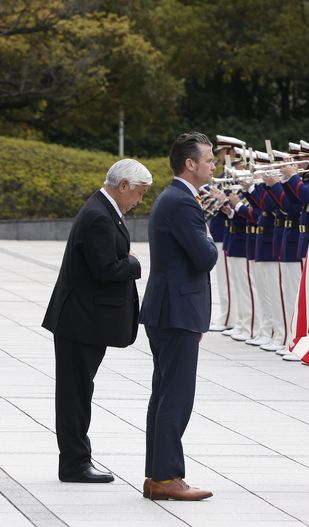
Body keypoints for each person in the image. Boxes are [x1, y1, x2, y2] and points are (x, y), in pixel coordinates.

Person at [42, 159, 152, 483]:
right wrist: (133, 264)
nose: (140, 200)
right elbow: (106, 269)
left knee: (78, 391)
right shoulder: (98, 217)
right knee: (75, 393)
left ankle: (76, 459)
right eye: (140, 193)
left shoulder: (103, 210)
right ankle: (74, 463)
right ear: (123, 186)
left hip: (83, 319)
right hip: (80, 321)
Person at [139, 132, 217, 501]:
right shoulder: (182, 202)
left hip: (170, 308)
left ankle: (157, 475)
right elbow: (205, 257)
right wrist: (209, 237)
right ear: (190, 164)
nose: (213, 166)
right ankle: (166, 476)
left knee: (165, 394)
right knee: (176, 396)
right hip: (177, 311)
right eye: (209, 160)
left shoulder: (176, 198)